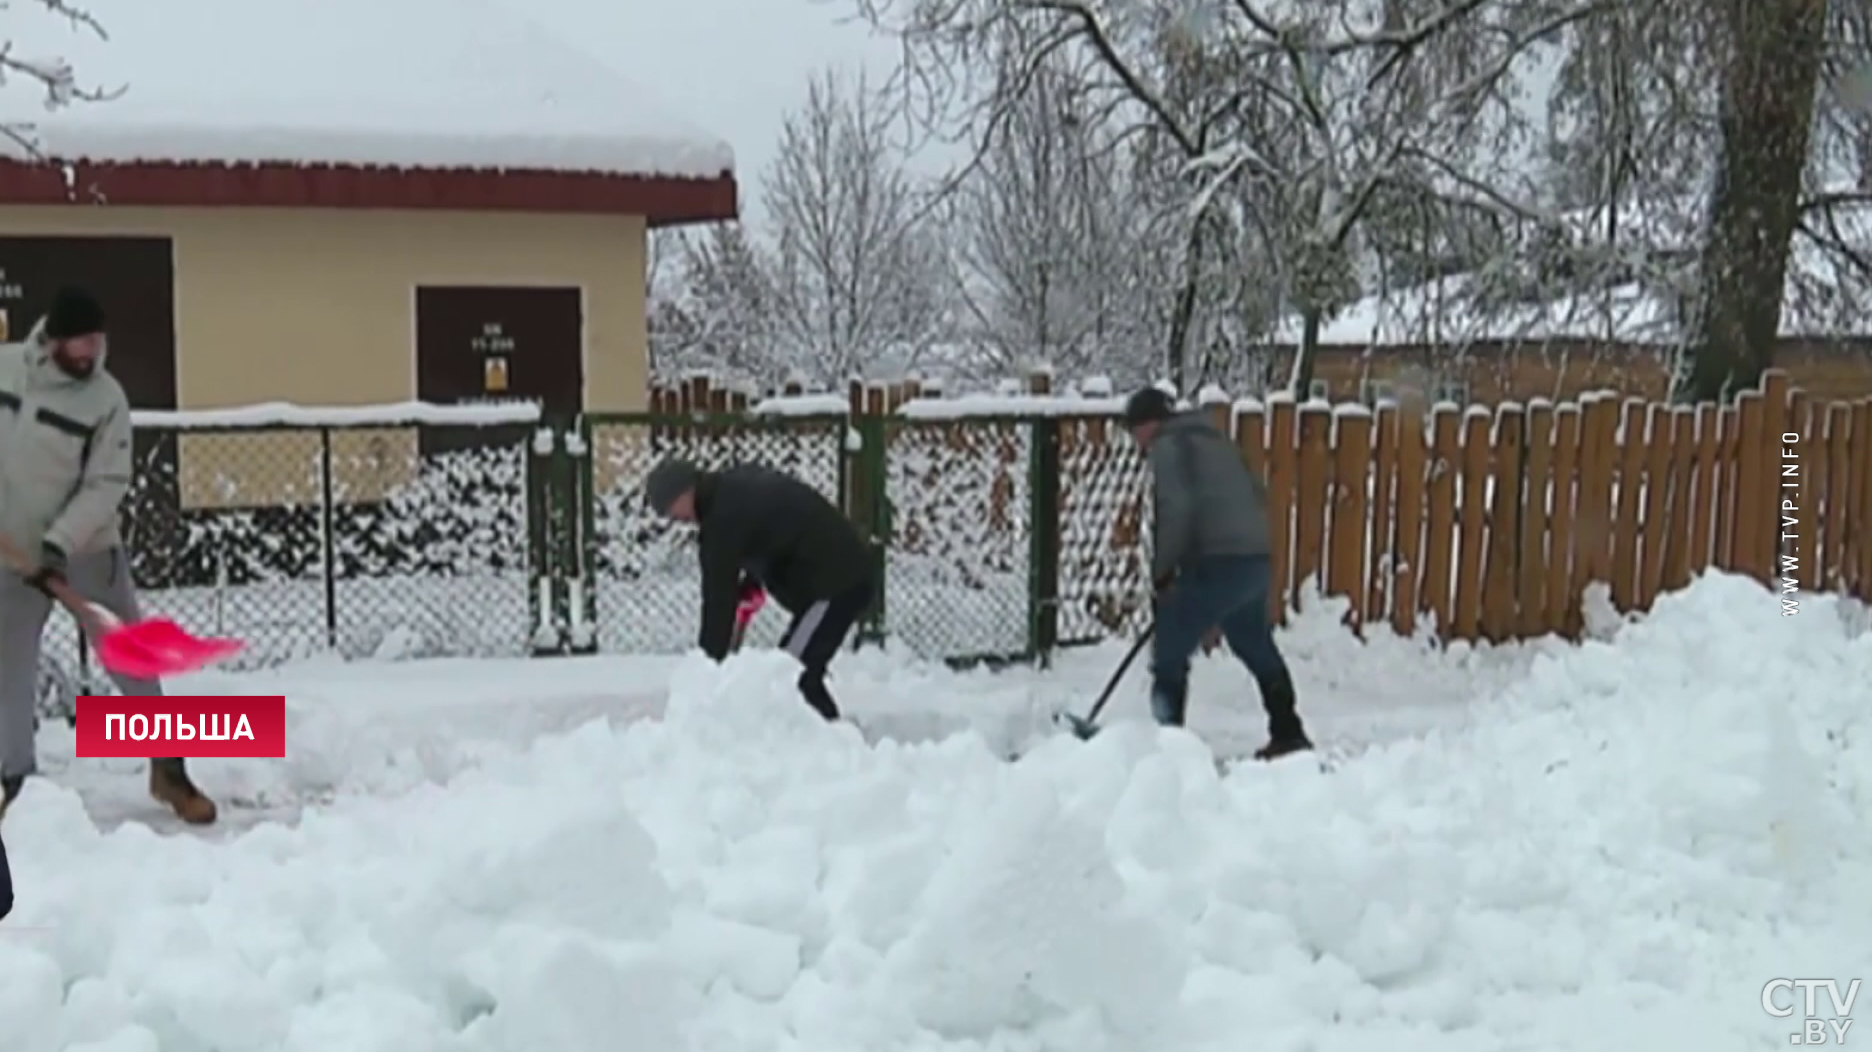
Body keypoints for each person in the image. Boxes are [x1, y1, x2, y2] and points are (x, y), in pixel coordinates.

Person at [0, 287, 218, 825]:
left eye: (98, 341)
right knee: (9, 672)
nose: (91, 353)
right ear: (53, 339)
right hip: (10, 554)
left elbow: (106, 482)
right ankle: (14, 784)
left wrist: (60, 544)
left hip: (87, 550)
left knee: (132, 658)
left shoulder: (106, 400)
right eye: (81, 341)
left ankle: (169, 771)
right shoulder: (5, 372)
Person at [1123, 386, 1312, 760]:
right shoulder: (1215, 440)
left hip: (1220, 560)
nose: (1136, 443)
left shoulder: (1169, 446)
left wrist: (1163, 573)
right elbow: (1251, 493)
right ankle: (1289, 731)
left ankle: (1167, 748)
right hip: (1254, 558)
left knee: (1170, 650)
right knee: (1253, 642)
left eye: (1134, 432)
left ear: (1150, 424)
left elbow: (1176, 507)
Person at [644, 457, 874, 721]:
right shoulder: (733, 489)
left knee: (792, 677)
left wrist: (707, 668)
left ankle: (835, 745)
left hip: (836, 584)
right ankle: (823, 743)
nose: (676, 518)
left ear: (686, 490)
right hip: (835, 576)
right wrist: (752, 582)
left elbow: (718, 601)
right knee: (790, 673)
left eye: (671, 508)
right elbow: (770, 526)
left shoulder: (720, 523)